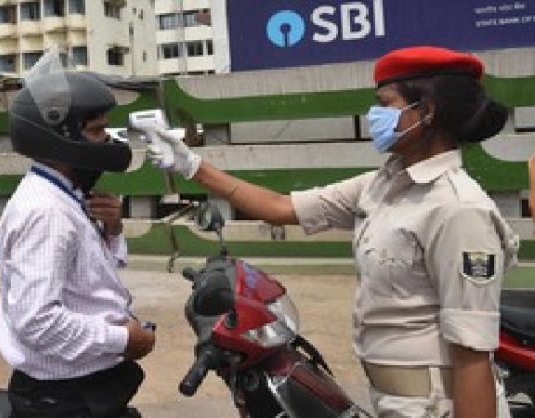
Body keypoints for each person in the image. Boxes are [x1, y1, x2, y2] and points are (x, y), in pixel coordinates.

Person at [148, 46, 518, 418]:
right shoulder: (381, 185)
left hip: (438, 406)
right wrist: (191, 165)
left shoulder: (458, 209)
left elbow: (473, 356)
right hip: (396, 401)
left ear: (426, 112)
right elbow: (281, 208)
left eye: (385, 104)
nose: (373, 115)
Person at [0, 66, 155, 418]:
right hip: (64, 398)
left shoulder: (65, 196)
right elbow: (36, 322)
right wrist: (125, 339)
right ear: (60, 138)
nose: (108, 141)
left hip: (84, 386)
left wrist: (112, 231)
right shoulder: (47, 212)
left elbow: (88, 279)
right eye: (97, 131)